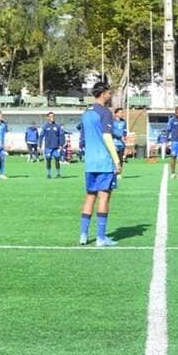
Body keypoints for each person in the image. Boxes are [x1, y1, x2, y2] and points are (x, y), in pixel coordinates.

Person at [78, 81, 122, 247]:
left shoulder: (86, 113)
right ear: (103, 93)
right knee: (104, 196)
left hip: (90, 162)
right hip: (103, 161)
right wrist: (116, 160)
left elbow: (83, 138)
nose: (110, 96)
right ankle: (101, 238)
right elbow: (107, 137)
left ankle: (83, 235)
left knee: (90, 196)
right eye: (109, 93)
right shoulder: (105, 112)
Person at [40, 112, 65, 179]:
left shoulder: (57, 126)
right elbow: (41, 135)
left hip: (56, 147)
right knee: (48, 160)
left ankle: (58, 174)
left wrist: (61, 144)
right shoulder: (45, 126)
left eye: (53, 116)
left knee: (57, 159)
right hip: (48, 147)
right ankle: (48, 174)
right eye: (50, 116)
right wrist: (39, 145)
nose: (52, 118)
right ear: (47, 117)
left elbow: (61, 135)